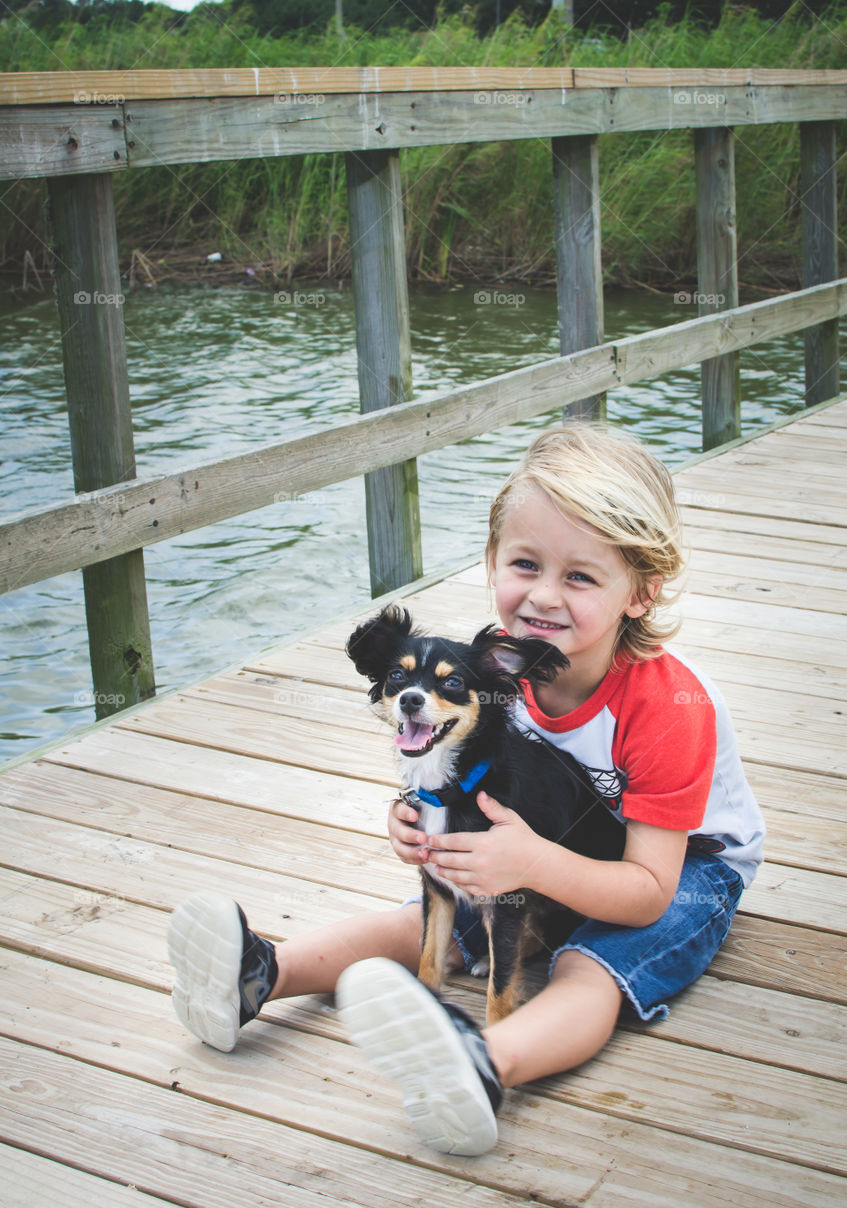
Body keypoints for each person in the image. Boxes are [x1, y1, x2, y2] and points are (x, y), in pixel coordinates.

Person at [168, 424, 765, 1157]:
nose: (543, 595)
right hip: (540, 846)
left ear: (640, 590)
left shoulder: (669, 709)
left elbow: (644, 890)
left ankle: (484, 1064)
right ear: (491, 562)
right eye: (524, 563)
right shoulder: (487, 678)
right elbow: (451, 771)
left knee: (589, 969)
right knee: (433, 914)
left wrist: (535, 866)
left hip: (680, 870)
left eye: (580, 577)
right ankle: (258, 973)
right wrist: (414, 822)